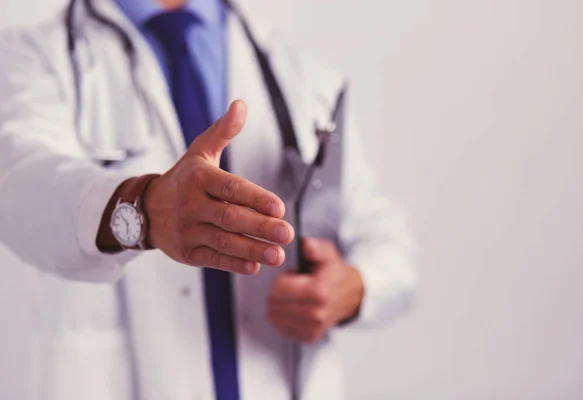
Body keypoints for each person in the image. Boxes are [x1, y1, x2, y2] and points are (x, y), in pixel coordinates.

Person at [0, 0, 416, 399]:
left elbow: (389, 242)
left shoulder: (301, 74)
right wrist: (141, 206)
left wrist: (355, 286)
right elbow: (19, 181)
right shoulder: (30, 59)